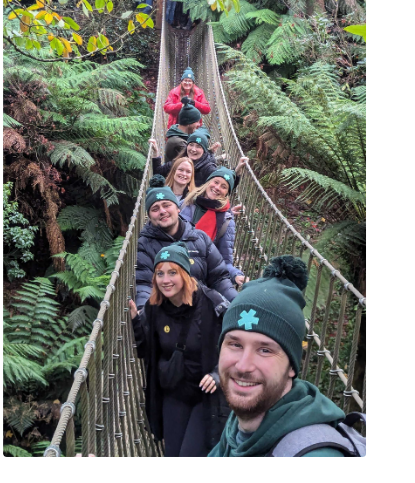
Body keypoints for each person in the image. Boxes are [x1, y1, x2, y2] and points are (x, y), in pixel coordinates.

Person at [208, 256, 349, 457]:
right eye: (235, 344)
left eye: (265, 350)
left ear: (292, 365)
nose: (243, 366)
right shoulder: (238, 425)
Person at [128, 242, 231, 457]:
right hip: (174, 392)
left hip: (206, 396)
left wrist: (218, 373)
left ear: (185, 273)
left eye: (172, 272)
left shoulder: (212, 304)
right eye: (160, 273)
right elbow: (147, 353)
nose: (165, 280)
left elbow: (235, 347)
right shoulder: (154, 308)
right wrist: (137, 323)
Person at [136, 175, 238, 307]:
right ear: (149, 217)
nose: (162, 211)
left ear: (178, 208)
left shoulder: (199, 238)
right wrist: (144, 313)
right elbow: (144, 285)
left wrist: (238, 303)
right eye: (155, 209)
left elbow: (219, 278)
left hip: (202, 312)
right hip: (166, 315)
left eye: (167, 205)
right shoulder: (145, 244)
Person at [181, 167, 248, 289]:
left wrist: (236, 274)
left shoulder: (225, 221)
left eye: (223, 186)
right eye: (215, 182)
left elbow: (224, 261)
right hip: (174, 265)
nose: (217, 188)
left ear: (227, 194)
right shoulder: (186, 203)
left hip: (200, 279)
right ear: (208, 182)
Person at [150, 130, 245, 188]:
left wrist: (237, 171)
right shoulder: (180, 161)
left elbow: (225, 184)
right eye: (191, 145)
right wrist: (156, 153)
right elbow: (158, 173)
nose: (193, 149)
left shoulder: (208, 168)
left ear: (204, 150)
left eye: (198, 146)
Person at [164, 97, 200, 162]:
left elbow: (199, 139)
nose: (199, 125)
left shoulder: (179, 132)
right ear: (189, 123)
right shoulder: (179, 143)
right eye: (197, 122)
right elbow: (196, 163)